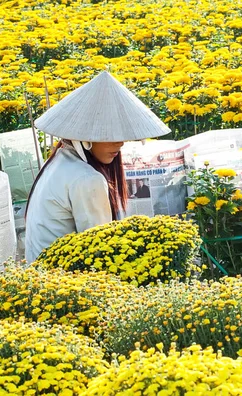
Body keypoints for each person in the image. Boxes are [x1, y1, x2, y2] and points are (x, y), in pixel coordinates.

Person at [25, 71, 171, 263]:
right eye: (110, 137)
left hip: (43, 275)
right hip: (60, 283)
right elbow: (101, 249)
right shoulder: (87, 178)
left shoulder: (59, 160)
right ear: (86, 139)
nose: (120, 144)